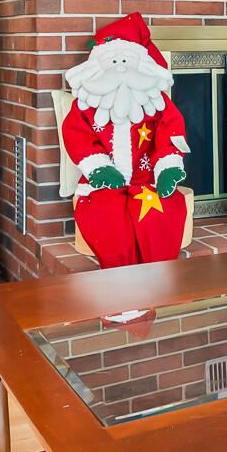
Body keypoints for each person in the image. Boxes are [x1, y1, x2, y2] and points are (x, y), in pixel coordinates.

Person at [61, 13, 190, 268]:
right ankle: (121, 282)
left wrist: (168, 168)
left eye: (126, 61)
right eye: (113, 61)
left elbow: (170, 133)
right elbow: (77, 136)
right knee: (105, 217)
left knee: (160, 214)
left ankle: (158, 278)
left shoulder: (158, 104)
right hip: (103, 185)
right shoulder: (85, 106)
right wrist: (98, 167)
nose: (120, 67)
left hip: (147, 181)